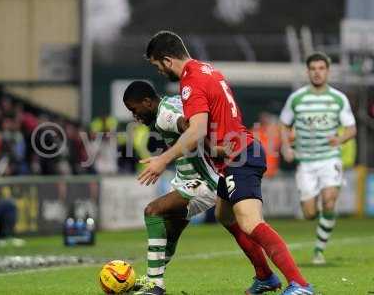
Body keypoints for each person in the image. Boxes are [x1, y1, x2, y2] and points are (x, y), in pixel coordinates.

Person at [138, 31, 313, 295]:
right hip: (235, 152)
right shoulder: (207, 70)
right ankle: (265, 277)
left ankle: (299, 284)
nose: (160, 72)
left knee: (251, 223)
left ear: (166, 60)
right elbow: (220, 118)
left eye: (157, 65)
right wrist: (216, 145)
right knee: (224, 215)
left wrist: (163, 159)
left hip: (240, 156)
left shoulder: (190, 82)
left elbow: (196, 130)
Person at [124, 81, 279, 295]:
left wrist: (213, 150)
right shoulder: (170, 102)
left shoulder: (164, 115)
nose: (135, 115)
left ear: (147, 102)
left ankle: (155, 284)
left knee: (153, 211)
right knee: (171, 232)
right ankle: (153, 279)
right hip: (190, 177)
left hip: (203, 181)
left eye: (134, 109)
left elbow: (190, 127)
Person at [280, 52, 357, 265]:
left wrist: (339, 139)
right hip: (305, 162)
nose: (317, 72)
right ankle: (316, 214)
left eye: (321, 68)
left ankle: (318, 251)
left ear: (327, 71)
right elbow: (284, 125)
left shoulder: (338, 99)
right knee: (309, 213)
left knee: (330, 201)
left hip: (329, 158)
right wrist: (286, 146)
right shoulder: (296, 98)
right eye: (313, 69)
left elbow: (351, 129)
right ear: (308, 72)